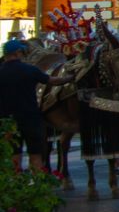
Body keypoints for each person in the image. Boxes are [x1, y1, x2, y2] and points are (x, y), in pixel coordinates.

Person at [0, 40, 71, 172]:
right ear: (17, 53)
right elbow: (53, 81)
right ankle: (37, 182)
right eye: (22, 52)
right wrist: (70, 78)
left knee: (14, 153)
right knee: (35, 154)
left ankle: (17, 182)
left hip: (8, 121)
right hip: (30, 119)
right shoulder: (30, 70)